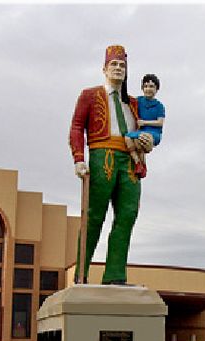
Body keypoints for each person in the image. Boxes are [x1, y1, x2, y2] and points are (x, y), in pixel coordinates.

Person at [69, 44, 154, 285]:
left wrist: (149, 142)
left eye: (122, 66)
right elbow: (76, 127)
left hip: (130, 159)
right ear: (104, 69)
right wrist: (79, 159)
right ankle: (81, 274)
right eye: (114, 65)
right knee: (94, 215)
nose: (118, 69)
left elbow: (149, 131)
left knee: (127, 214)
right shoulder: (89, 95)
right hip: (101, 155)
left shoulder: (135, 103)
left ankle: (115, 274)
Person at [124, 74, 165, 178]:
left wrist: (145, 122)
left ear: (156, 89)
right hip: (140, 131)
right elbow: (127, 100)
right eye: (146, 86)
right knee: (128, 137)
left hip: (153, 133)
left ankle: (144, 165)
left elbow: (160, 122)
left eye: (151, 86)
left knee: (140, 140)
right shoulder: (139, 101)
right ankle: (138, 163)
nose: (148, 89)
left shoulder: (159, 106)